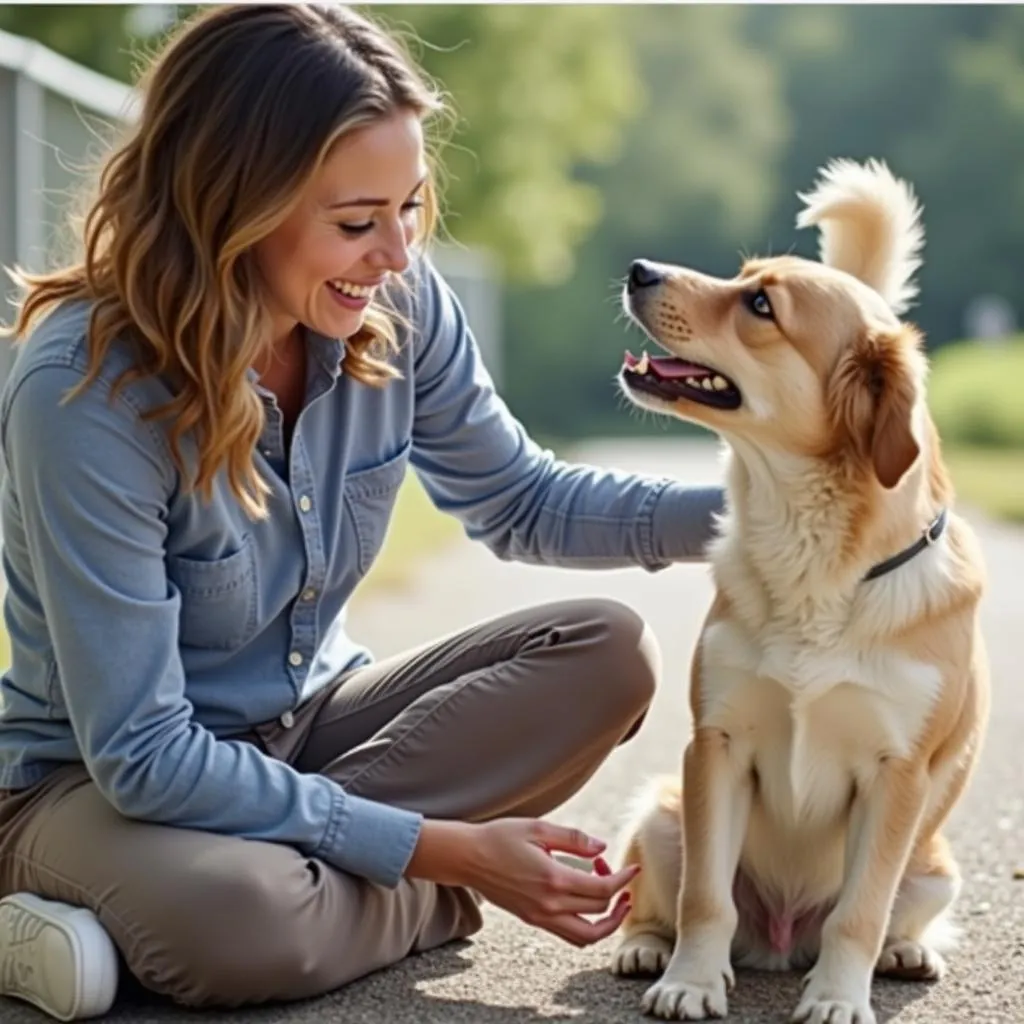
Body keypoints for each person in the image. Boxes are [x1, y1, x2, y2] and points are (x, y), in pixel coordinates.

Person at [0, 5, 722, 1020]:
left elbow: (521, 498)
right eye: (355, 221)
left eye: (410, 208)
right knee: (239, 919)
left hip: (311, 729)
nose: (395, 254)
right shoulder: (83, 387)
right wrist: (451, 851)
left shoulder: (396, 299)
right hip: (97, 783)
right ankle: (384, 898)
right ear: (232, 206)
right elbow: (144, 751)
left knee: (606, 652)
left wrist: (765, 514)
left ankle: (255, 906)